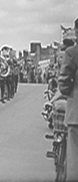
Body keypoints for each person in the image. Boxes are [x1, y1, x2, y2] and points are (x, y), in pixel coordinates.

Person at [58, 16, 78, 181]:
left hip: (76, 113)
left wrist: (68, 93)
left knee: (74, 160)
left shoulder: (72, 53)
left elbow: (64, 81)